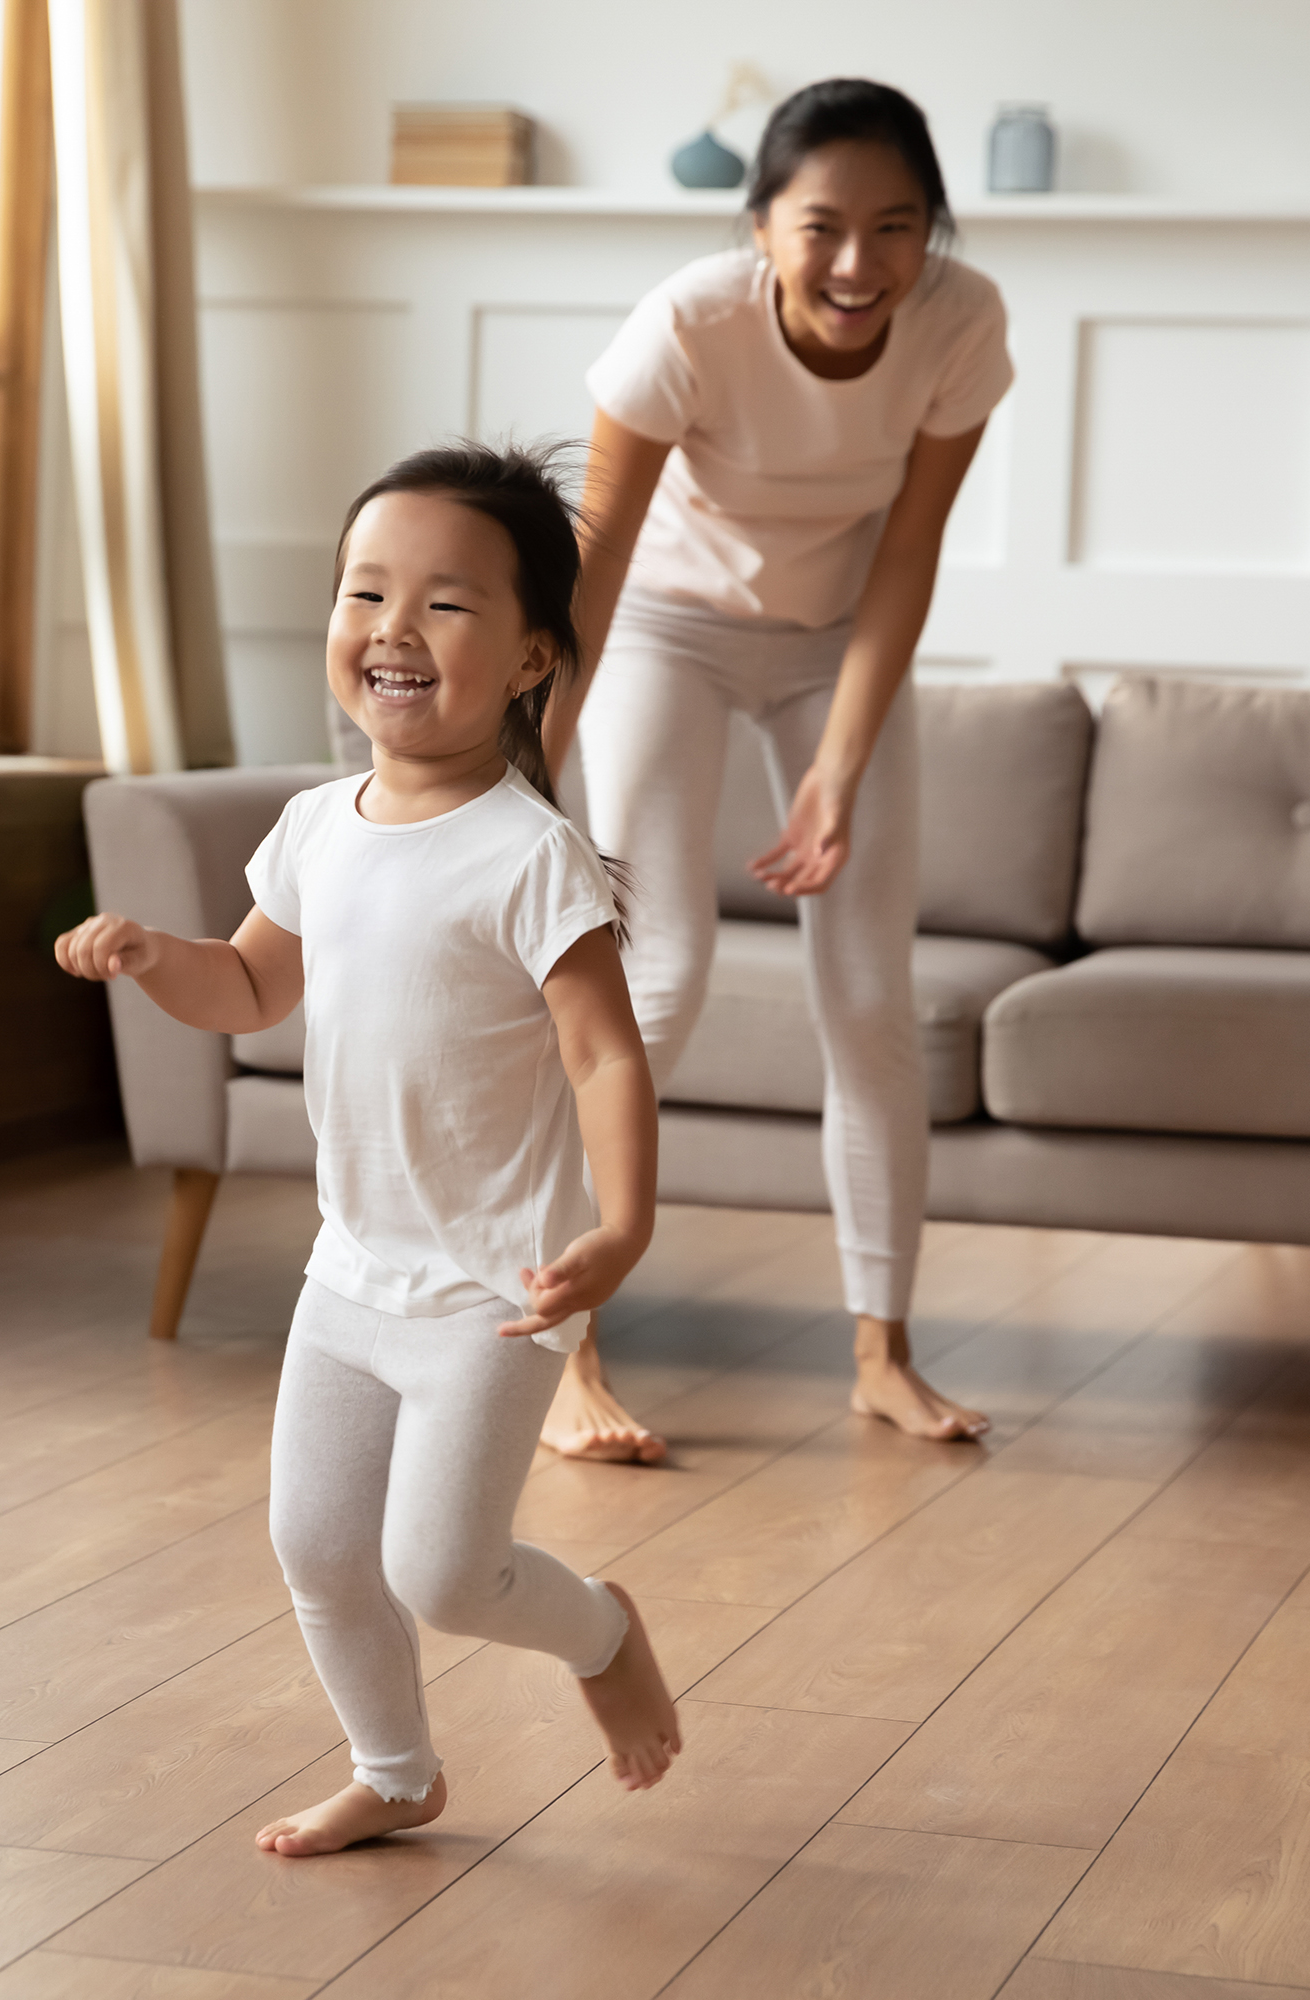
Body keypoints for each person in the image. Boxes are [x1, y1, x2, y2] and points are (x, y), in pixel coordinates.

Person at [55, 441, 682, 1856]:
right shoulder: (313, 829)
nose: (395, 627)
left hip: (493, 1292)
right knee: (320, 1547)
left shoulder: (530, 856)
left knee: (445, 1574)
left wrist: (623, 1228)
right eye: (366, 592)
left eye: (447, 604)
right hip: (350, 1275)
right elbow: (251, 987)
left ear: (531, 659)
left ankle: (600, 1631)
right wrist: (157, 958)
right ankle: (396, 1773)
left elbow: (604, 1054)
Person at [537, 78, 1014, 1463]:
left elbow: (909, 555)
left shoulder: (962, 325)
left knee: (870, 997)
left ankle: (883, 1355)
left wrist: (837, 771)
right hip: (664, 628)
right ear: (762, 228)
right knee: (663, 970)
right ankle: (561, 1348)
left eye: (897, 226)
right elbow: (599, 558)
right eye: (822, 228)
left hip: (833, 646)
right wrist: (529, 768)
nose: (860, 263)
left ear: (932, 232)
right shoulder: (690, 322)